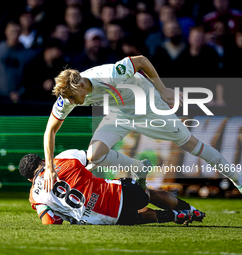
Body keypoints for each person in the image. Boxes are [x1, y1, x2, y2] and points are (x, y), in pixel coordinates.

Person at [42, 55, 242, 194]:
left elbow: (141, 61)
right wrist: (50, 167)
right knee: (95, 154)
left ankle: (236, 177)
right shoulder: (67, 97)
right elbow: (50, 130)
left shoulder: (110, 74)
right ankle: (140, 168)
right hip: (119, 113)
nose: (69, 101)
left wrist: (162, 90)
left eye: (71, 96)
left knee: (191, 145)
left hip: (148, 105)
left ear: (82, 86)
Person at [19, 149, 206, 225]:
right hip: (118, 191)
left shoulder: (34, 196)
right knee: (150, 195)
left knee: (136, 216)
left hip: (100, 215)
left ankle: (175, 216)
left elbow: (50, 222)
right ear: (43, 160)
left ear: (29, 179)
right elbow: (95, 156)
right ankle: (190, 209)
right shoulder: (64, 157)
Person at [0, 20, 37, 103]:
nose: (14, 34)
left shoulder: (28, 54)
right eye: (12, 31)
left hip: (16, 99)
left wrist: (20, 92)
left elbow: (30, 78)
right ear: (6, 31)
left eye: (17, 31)